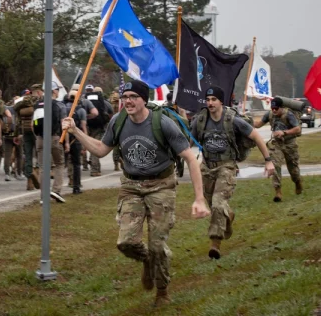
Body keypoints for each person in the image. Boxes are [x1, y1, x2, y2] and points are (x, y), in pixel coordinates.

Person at [61, 80, 210, 307]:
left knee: (158, 244)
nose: (127, 101)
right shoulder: (118, 121)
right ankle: (148, 261)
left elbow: (190, 158)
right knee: (126, 242)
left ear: (144, 99)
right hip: (131, 186)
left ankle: (162, 291)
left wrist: (199, 199)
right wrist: (75, 131)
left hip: (161, 185)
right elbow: (101, 150)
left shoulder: (163, 123)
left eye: (133, 96)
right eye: (125, 96)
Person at [192, 86, 274, 259]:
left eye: (214, 99)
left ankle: (215, 243)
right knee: (214, 205)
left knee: (217, 203)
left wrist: (268, 161)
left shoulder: (233, 120)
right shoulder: (200, 120)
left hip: (226, 167)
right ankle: (228, 215)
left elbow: (257, 137)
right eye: (208, 100)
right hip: (206, 168)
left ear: (221, 101)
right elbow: (186, 140)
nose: (210, 103)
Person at [253, 97, 303, 202]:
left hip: (289, 143)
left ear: (281, 107)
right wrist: (247, 121)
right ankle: (278, 192)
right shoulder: (270, 115)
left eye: (276, 108)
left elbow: (297, 129)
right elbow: (258, 124)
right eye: (273, 108)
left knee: (293, 168)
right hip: (276, 144)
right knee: (275, 165)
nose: (274, 110)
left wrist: (284, 132)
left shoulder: (288, 114)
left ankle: (297, 181)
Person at [34, 81, 68, 202]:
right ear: (54, 91)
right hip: (54, 137)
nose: (58, 92)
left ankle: (43, 196)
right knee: (59, 163)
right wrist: (66, 142)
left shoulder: (38, 104)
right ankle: (56, 190)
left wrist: (37, 137)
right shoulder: (60, 105)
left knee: (43, 167)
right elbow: (64, 124)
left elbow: (34, 124)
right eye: (57, 89)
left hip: (40, 138)